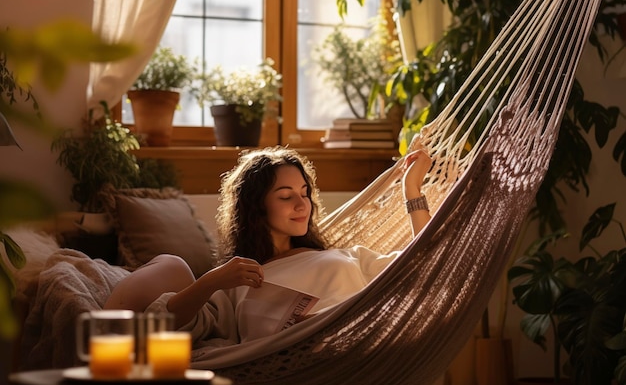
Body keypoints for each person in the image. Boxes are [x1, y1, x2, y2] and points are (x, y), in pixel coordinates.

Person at [105, 146, 432, 343]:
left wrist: (412, 190)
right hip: (300, 353)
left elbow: (426, 261)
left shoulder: (346, 255)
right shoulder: (235, 282)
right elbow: (164, 324)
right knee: (171, 265)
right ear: (256, 206)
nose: (302, 205)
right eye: (287, 196)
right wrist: (213, 280)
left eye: (305, 193)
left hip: (368, 330)